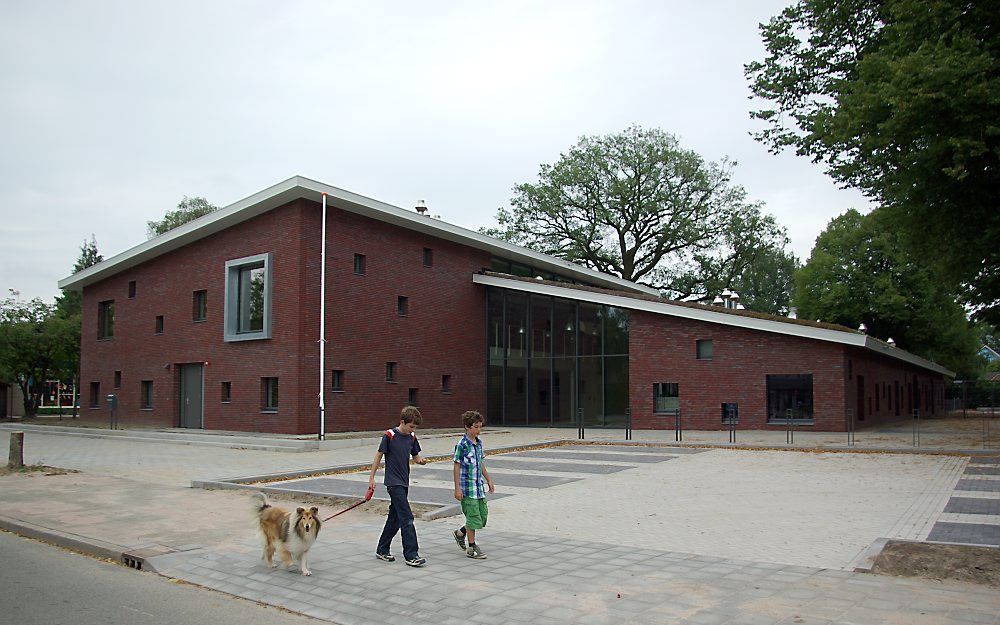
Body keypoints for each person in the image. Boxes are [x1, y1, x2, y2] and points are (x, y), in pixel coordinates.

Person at [369, 405, 429, 567]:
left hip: (404, 481)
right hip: (393, 483)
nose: (412, 430)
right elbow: (379, 455)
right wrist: (372, 477)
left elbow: (416, 457)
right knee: (407, 517)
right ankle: (411, 554)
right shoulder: (389, 436)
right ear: (402, 422)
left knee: (395, 518)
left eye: (415, 428)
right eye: (411, 427)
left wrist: (421, 461)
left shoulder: (412, 437)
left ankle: (382, 549)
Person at [452, 410, 494, 559]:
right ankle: (472, 547)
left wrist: (488, 479)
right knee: (473, 516)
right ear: (467, 427)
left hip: (478, 487)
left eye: (480, 427)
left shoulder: (479, 443)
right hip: (467, 489)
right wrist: (457, 488)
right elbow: (456, 466)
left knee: (482, 517)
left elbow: (480, 462)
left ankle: (460, 533)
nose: (479, 430)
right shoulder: (462, 445)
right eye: (476, 427)